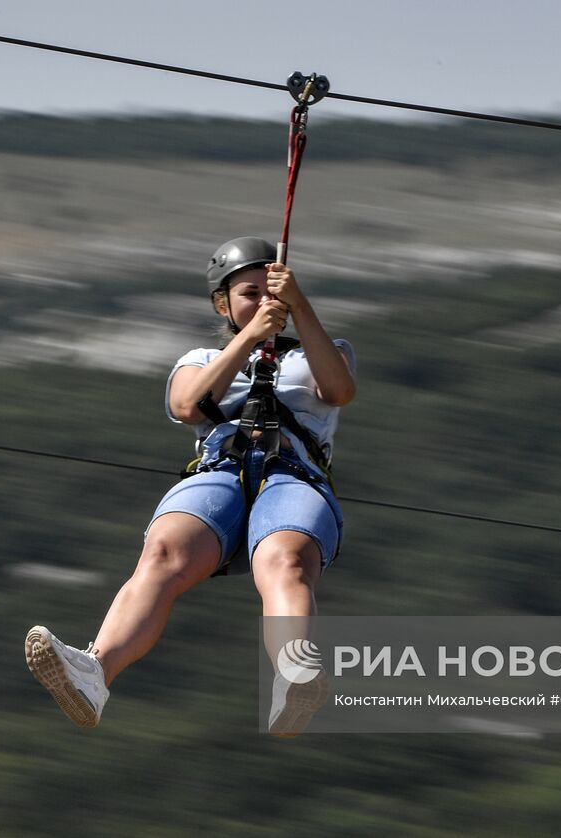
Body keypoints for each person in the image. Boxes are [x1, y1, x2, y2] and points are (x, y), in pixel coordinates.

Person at [24, 236, 356, 735]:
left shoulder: (320, 352)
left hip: (292, 472)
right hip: (220, 470)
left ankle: (296, 672)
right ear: (223, 304)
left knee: (285, 560)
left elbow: (339, 390)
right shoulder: (199, 358)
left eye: (274, 291)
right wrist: (250, 338)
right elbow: (188, 406)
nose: (265, 300)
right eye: (250, 292)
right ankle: (97, 672)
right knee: (162, 555)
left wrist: (300, 307)